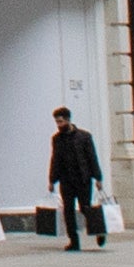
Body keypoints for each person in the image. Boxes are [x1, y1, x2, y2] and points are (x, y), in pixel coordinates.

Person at [44, 106, 106, 250]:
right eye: (57, 122)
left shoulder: (84, 137)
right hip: (66, 180)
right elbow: (55, 160)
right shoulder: (57, 139)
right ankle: (74, 241)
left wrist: (98, 178)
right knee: (68, 211)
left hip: (83, 179)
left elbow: (92, 158)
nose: (58, 125)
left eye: (60, 122)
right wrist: (52, 180)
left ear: (68, 120)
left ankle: (99, 231)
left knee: (86, 208)